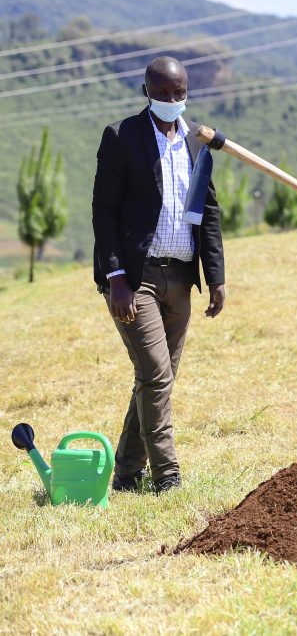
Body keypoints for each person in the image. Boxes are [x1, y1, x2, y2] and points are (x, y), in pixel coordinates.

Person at [92, 56, 226, 494]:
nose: (172, 100)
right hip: (135, 279)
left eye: (180, 93)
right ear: (146, 91)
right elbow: (105, 212)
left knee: (156, 380)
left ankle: (127, 474)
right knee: (157, 376)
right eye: (163, 93)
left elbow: (207, 213)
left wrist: (216, 276)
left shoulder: (195, 142)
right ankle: (166, 474)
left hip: (180, 279)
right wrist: (116, 278)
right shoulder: (122, 137)